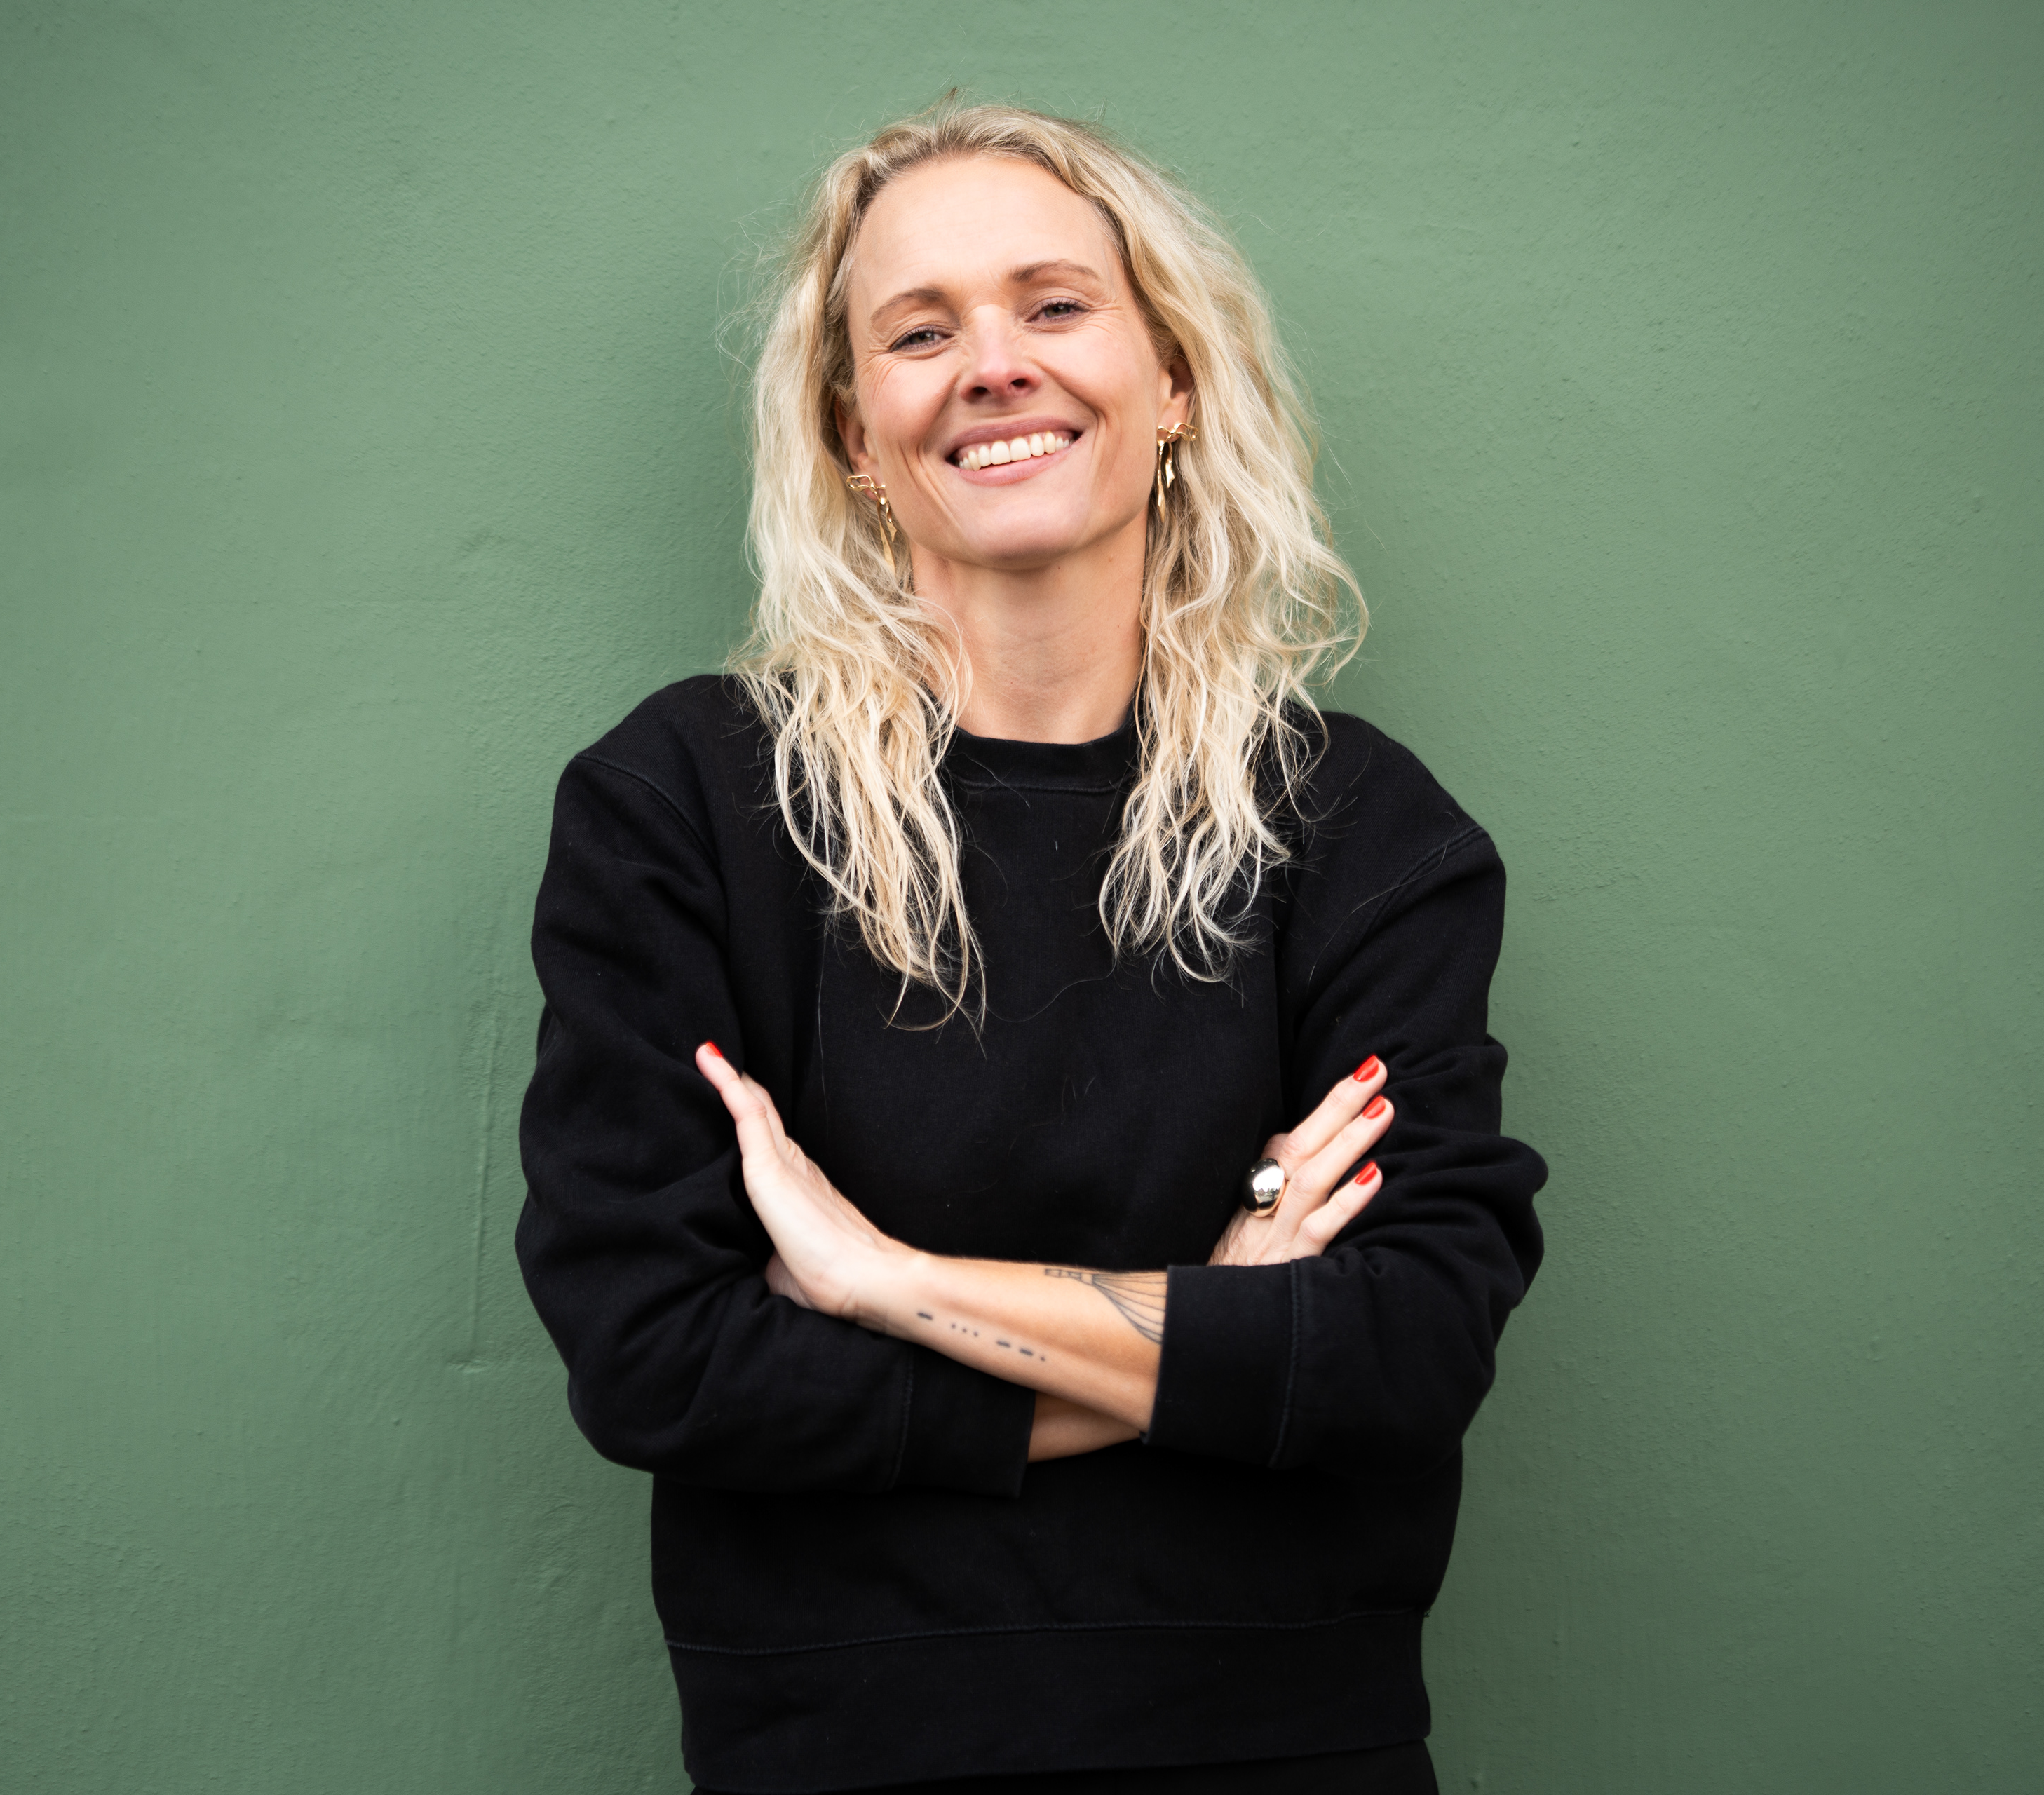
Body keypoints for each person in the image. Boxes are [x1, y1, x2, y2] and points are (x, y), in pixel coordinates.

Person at [517, 100, 1546, 1795]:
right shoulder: (686, 806)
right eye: (919, 332)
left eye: (1056, 305)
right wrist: (1220, 1327)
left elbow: (1409, 1343)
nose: (993, 365)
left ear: (1174, 379)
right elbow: (660, 1357)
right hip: (840, 1757)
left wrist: (889, 1284)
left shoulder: (1357, 827)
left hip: (1289, 1745)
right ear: (855, 435)